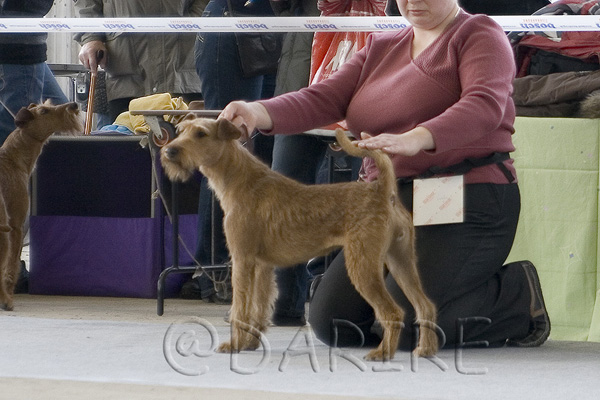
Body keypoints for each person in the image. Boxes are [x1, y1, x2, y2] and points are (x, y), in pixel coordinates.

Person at [219, 0, 551, 349]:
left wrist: (416, 138)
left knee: (409, 326)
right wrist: (256, 111)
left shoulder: (480, 34)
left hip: (466, 195)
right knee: (331, 321)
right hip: (389, 201)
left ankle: (517, 297)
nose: (413, 2)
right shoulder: (381, 45)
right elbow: (322, 98)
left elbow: (483, 105)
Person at [180, 0, 278, 304]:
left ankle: (247, 264)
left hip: (277, 23)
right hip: (232, 22)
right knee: (227, 157)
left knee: (265, 158)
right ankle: (213, 271)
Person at [0, 0, 70, 294]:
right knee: (14, 152)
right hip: (18, 45)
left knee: (65, 128)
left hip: (26, 42)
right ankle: (9, 266)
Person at [73, 0, 205, 123]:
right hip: (125, 75)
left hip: (184, 73)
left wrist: (197, 21)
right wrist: (90, 36)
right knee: (122, 144)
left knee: (188, 144)